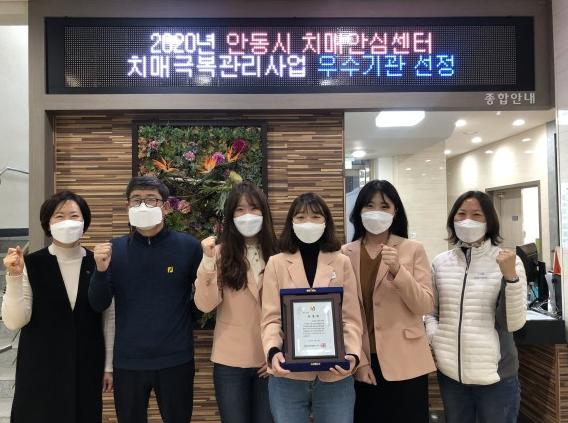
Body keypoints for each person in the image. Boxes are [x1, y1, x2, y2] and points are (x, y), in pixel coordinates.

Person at [88, 175, 202, 423]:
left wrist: (184, 321)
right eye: (136, 200)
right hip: (128, 361)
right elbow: (99, 303)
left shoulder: (189, 247)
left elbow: (203, 301)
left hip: (176, 359)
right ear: (127, 206)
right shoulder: (115, 250)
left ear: (165, 206)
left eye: (151, 200)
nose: (143, 206)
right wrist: (100, 271)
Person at [2, 190, 114, 423]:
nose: (67, 222)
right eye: (59, 217)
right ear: (48, 223)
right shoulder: (31, 263)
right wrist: (13, 277)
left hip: (86, 363)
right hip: (39, 365)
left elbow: (109, 318)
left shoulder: (97, 262)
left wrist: (108, 365)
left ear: (84, 222)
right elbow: (14, 321)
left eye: (74, 216)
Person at [425, 190, 527, 423]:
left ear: (489, 221)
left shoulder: (508, 261)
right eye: (461, 214)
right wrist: (435, 337)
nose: (467, 220)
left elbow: (514, 323)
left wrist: (510, 277)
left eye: (476, 215)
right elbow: (431, 312)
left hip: (495, 377)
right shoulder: (441, 262)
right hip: (451, 375)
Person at [261, 192, 363, 423]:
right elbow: (271, 319)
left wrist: (352, 355)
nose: (308, 223)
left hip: (335, 375)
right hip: (288, 376)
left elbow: (351, 319)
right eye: (301, 217)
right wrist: (273, 352)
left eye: (316, 217)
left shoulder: (341, 261)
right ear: (291, 222)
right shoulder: (276, 263)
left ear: (326, 222)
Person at [342, 180, 436, 423]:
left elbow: (425, 305)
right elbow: (343, 313)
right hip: (362, 360)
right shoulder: (345, 254)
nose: (376, 212)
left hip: (406, 360)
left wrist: (398, 271)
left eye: (384, 206)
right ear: (359, 211)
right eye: (369, 205)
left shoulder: (413, 249)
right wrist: (360, 361)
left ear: (395, 212)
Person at [195, 181, 278, 423]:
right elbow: (205, 305)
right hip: (230, 361)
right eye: (239, 210)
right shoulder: (219, 254)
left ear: (264, 212)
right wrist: (208, 262)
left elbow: (290, 308)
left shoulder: (279, 253)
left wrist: (279, 351)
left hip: (271, 359)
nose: (247, 215)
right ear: (231, 217)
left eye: (253, 208)